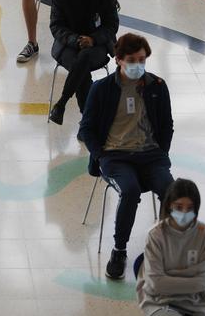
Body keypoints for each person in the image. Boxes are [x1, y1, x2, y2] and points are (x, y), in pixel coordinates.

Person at [79, 33, 175, 280]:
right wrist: (100, 157)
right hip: (115, 156)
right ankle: (119, 250)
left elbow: (166, 125)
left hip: (151, 155)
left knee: (171, 191)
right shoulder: (101, 89)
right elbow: (86, 129)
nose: (138, 65)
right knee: (130, 190)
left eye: (142, 59)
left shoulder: (158, 87)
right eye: (131, 60)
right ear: (119, 60)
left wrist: (161, 153)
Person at [48, 0, 120, 125]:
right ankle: (87, 120)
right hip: (68, 45)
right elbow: (56, 26)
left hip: (98, 45)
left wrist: (93, 40)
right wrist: (76, 40)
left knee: (84, 58)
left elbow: (111, 25)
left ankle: (62, 103)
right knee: (81, 66)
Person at [136, 178, 205, 316]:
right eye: (179, 207)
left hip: (196, 302)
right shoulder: (155, 235)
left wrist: (168, 277)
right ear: (169, 206)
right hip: (158, 301)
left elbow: (204, 283)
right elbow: (156, 284)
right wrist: (190, 278)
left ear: (196, 208)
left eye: (190, 208)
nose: (184, 213)